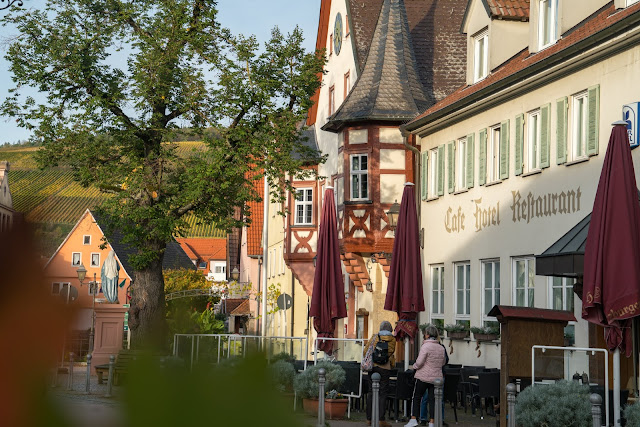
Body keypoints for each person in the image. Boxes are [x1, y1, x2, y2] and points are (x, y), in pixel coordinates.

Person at [405, 325, 446, 427]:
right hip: (436, 378)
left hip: (423, 376)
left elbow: (419, 362)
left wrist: (414, 367)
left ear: (427, 335)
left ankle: (414, 419)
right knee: (432, 400)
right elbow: (443, 362)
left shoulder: (425, 346)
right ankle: (432, 422)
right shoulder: (441, 347)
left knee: (417, 397)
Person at [363, 320, 396, 427]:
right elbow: (390, 352)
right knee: (383, 393)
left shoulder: (374, 337)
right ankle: (381, 420)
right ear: (390, 329)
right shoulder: (392, 340)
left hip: (373, 367)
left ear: (381, 328)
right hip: (385, 368)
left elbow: (365, 351)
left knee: (371, 392)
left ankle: (369, 419)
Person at [419, 329, 449, 425]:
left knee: (426, 398)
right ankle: (440, 418)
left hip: (428, 375)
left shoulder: (425, 346)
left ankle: (423, 418)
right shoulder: (441, 346)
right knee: (439, 398)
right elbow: (445, 361)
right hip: (439, 375)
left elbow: (421, 361)